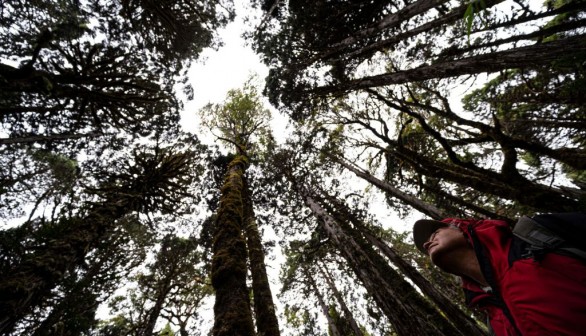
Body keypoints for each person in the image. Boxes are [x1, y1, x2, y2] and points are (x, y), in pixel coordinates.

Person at [412, 216, 586, 336]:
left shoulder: (536, 237)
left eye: (435, 234)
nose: (428, 243)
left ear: (461, 227)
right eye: (426, 247)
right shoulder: (492, 319)